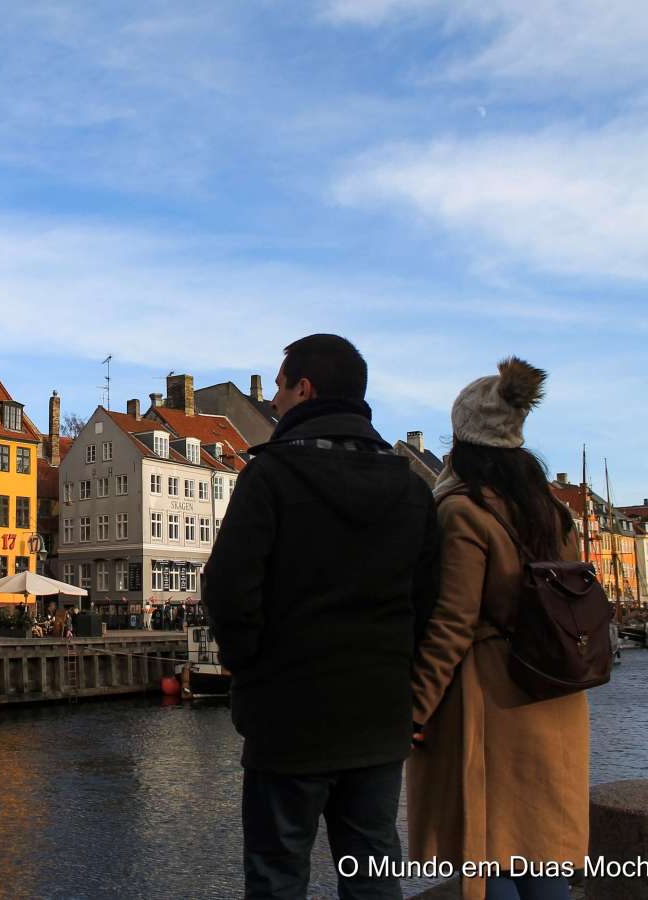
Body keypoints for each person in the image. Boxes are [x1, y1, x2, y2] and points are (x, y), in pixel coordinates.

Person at [203, 334, 439, 900]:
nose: (276, 403)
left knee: (278, 875)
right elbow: (431, 601)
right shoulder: (410, 489)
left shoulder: (271, 476)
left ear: (303, 389)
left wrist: (250, 671)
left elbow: (229, 589)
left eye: (280, 389)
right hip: (379, 719)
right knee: (373, 870)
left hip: (288, 719)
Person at [407, 358, 586, 900]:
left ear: (463, 441)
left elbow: (451, 625)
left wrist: (413, 708)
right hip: (555, 692)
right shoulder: (553, 512)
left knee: (490, 853)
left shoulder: (463, 511)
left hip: (493, 699)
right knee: (546, 853)